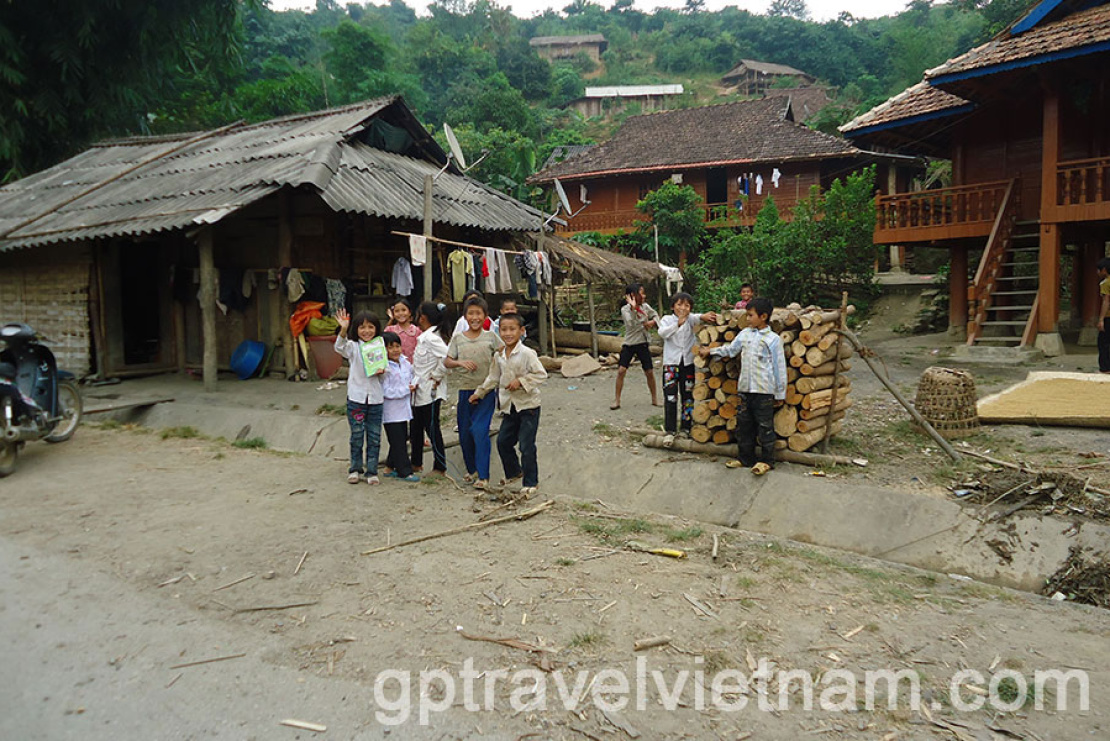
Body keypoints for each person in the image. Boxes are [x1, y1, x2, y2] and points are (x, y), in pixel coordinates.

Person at [698, 296, 786, 475]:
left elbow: (779, 367)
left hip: (764, 391)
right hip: (746, 389)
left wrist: (779, 393)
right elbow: (731, 350)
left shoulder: (773, 340)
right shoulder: (745, 334)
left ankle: (767, 461)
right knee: (744, 426)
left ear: (763, 316)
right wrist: (711, 351)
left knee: (765, 427)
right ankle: (746, 459)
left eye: (751, 315)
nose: (748, 318)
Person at [471, 313, 547, 495]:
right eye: (504, 330)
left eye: (512, 329)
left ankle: (531, 482)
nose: (508, 333)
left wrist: (521, 381)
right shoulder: (499, 355)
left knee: (526, 446)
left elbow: (541, 374)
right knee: (503, 442)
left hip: (528, 406)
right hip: (509, 406)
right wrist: (479, 392)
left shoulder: (527, 353)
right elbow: (493, 377)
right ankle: (514, 472)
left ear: (522, 331)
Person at [445, 295, 503, 489]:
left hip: (485, 391)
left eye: (479, 313)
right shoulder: (458, 338)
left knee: (479, 430)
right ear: (465, 316)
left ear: (485, 316)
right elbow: (447, 361)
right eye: (471, 313)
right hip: (465, 390)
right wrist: (460, 363)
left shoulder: (491, 337)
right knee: (464, 433)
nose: (475, 317)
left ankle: (483, 476)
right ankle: (472, 470)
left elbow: (504, 352)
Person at [657, 293, 717, 445]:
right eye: (679, 304)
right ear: (673, 307)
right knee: (671, 397)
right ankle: (670, 430)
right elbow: (662, 333)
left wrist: (705, 316)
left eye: (687, 305)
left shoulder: (691, 319)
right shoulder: (667, 320)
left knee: (688, 397)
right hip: (671, 365)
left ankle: (686, 428)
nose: (683, 308)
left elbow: (699, 317)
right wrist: (678, 324)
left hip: (687, 364)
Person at [334, 308, 385, 485]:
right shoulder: (353, 347)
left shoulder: (380, 347)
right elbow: (339, 347)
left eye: (371, 327)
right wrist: (343, 329)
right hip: (356, 399)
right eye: (362, 327)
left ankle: (372, 471)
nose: (366, 331)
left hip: (376, 400)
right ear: (356, 329)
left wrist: (382, 371)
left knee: (374, 437)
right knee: (357, 435)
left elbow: (385, 374)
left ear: (377, 329)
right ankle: (355, 469)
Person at [412, 301, 451, 475]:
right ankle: (416, 462)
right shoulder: (425, 337)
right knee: (416, 427)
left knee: (432, 429)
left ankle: (440, 466)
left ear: (423, 317)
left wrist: (437, 375)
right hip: (419, 390)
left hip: (431, 391)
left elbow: (448, 357)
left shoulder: (432, 338)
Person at [612, 283, 660, 410]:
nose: (644, 296)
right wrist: (634, 310)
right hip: (629, 343)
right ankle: (617, 400)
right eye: (641, 293)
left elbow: (655, 315)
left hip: (642, 342)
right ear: (633, 295)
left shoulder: (645, 307)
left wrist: (653, 322)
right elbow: (631, 323)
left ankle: (654, 398)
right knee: (621, 371)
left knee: (649, 372)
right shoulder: (625, 309)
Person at [380, 331, 420, 482]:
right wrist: (406, 390)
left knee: (401, 438)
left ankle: (389, 466)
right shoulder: (384, 368)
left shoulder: (405, 362)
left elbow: (412, 375)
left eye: (397, 346)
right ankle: (405, 471)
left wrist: (414, 383)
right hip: (391, 410)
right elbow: (385, 391)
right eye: (390, 347)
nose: (395, 350)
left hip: (404, 409)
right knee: (398, 441)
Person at [385, 296, 421, 363]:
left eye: (404, 310)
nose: (400, 313)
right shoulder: (390, 330)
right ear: (393, 314)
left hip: (414, 366)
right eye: (397, 311)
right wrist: (391, 320)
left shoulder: (417, 331)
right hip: (394, 366)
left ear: (409, 312)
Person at [1099, 257, 1110, 373]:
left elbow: (1106, 301)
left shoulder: (1105, 283)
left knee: (1103, 342)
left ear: (1104, 270)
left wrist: (1101, 319)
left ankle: (1105, 367)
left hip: (1108, 317)